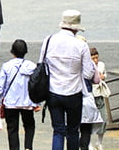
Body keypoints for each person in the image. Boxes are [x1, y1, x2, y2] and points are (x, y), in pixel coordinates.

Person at [40, 10, 98, 150]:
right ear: (76, 27)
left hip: (53, 91)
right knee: (73, 131)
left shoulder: (49, 40)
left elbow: (41, 64)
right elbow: (88, 73)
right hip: (74, 93)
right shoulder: (80, 45)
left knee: (58, 130)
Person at [0, 39, 38, 150]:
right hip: (27, 102)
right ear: (25, 52)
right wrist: (37, 102)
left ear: (12, 52)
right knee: (29, 125)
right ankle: (28, 147)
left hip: (11, 102)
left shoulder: (7, 66)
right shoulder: (31, 66)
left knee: (12, 128)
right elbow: (36, 85)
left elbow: (0, 85)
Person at [84, 47, 109, 150]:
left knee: (103, 118)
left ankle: (99, 142)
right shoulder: (87, 67)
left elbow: (104, 74)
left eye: (96, 58)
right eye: (93, 58)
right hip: (91, 95)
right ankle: (89, 143)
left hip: (99, 94)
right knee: (89, 120)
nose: (95, 60)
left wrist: (103, 76)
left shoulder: (101, 65)